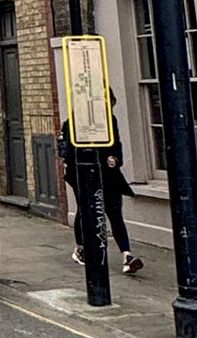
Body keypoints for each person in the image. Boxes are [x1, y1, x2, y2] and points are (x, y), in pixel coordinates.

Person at [59, 90, 143, 276]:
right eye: (104, 102)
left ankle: (127, 256)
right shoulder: (73, 123)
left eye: (110, 102)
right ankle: (80, 248)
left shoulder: (111, 121)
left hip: (109, 175)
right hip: (82, 176)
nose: (108, 106)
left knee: (115, 213)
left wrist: (115, 159)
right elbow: (66, 153)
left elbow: (117, 146)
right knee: (84, 210)